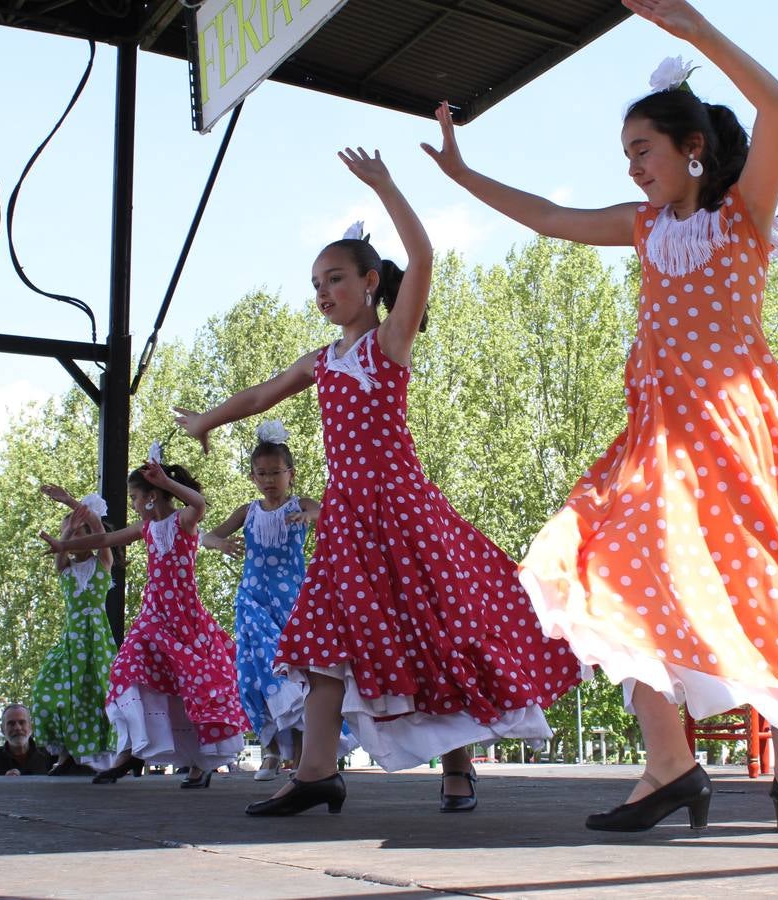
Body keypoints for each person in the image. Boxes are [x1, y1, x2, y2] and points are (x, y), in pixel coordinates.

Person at [424, 0, 778, 835]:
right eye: (626, 155)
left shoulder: (744, 218)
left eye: (641, 150)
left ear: (692, 150)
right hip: (659, 445)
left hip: (742, 435)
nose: (631, 169)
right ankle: (669, 764)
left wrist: (694, 31)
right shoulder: (643, 227)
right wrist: (463, 176)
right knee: (604, 571)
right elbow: (549, 217)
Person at [174, 148, 581, 816]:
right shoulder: (321, 359)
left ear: (368, 282)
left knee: (438, 632)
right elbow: (260, 395)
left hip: (402, 512)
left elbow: (422, 261)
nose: (323, 292)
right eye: (315, 283)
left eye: (334, 278)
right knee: (321, 634)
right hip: (345, 521)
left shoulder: (388, 341)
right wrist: (209, 421)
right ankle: (316, 774)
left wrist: (387, 186)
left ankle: (457, 766)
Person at [40, 457, 248, 787]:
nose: (134, 506)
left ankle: (200, 763)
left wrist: (166, 482)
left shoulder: (184, 521)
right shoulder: (146, 528)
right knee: (126, 667)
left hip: (184, 617)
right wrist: (64, 544)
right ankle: (128, 753)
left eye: (135, 498)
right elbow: (104, 540)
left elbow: (199, 502)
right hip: (152, 614)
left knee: (189, 685)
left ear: (151, 496)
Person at [200, 421, 358, 782]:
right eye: (262, 474)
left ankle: (302, 757)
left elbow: (333, 514)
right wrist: (219, 543)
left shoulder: (301, 504)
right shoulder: (248, 511)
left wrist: (312, 517)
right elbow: (208, 534)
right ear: (253, 477)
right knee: (257, 672)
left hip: (293, 604)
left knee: (297, 674)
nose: (269, 480)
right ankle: (270, 750)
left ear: (291, 474)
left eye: (276, 473)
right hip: (252, 601)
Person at [31, 485, 119, 776]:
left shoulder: (103, 563)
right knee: (55, 692)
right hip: (72, 641)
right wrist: (67, 530)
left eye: (80, 533)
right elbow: (62, 548)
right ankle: (66, 753)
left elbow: (98, 528)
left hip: (96, 641)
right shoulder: (64, 568)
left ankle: (92, 758)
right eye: (70, 534)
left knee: (96, 694)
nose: (73, 538)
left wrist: (71, 502)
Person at [0, 704, 54, 776]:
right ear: (2, 729)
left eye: (22, 722)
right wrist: (2, 782)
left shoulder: (50, 754)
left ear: (31, 727)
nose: (17, 728)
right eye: (11, 724)